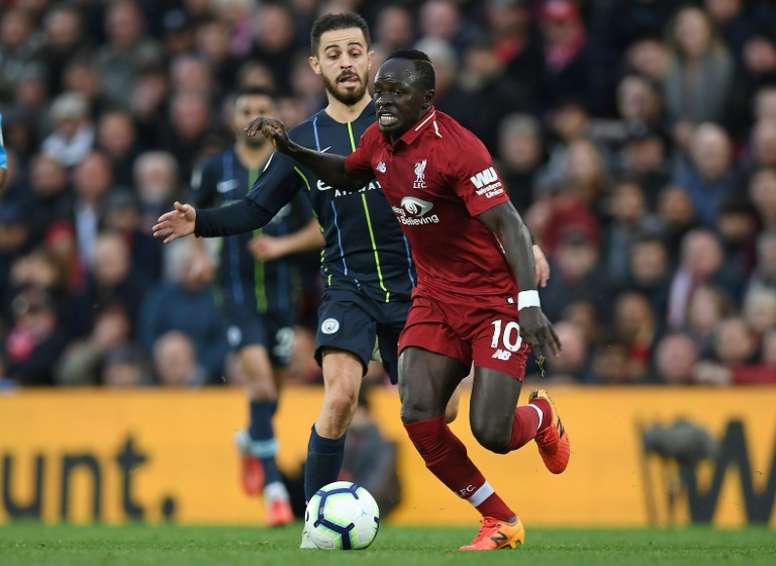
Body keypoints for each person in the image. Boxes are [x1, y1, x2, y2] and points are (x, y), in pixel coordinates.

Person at [152, 14, 550, 543]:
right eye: (333, 53)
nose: (345, 62)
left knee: (446, 412)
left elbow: (482, 199)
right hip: (348, 288)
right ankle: (315, 527)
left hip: (418, 289)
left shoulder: (406, 122)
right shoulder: (305, 138)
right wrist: (200, 221)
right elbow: (253, 209)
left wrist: (531, 248)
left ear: (369, 57)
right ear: (316, 65)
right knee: (339, 396)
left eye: (355, 51)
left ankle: (526, 436)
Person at [245, 50, 567, 551]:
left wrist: (527, 303)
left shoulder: (459, 149)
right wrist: (291, 149)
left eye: (396, 92)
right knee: (418, 414)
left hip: (492, 301)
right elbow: (350, 172)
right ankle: (498, 519)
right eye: (381, 90)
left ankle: (542, 418)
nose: (383, 100)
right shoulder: (379, 138)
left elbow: (510, 224)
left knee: (491, 432)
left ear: (427, 99)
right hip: (435, 298)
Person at [188, 86, 323, 527]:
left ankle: (250, 439)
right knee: (262, 387)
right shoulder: (214, 170)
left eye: (262, 110)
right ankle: (274, 493)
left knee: (273, 396)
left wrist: (281, 246)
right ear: (233, 119)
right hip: (235, 297)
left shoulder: (290, 168)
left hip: (283, 299)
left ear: (275, 118)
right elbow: (195, 219)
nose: (254, 116)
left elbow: (321, 230)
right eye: (246, 110)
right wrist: (197, 259)